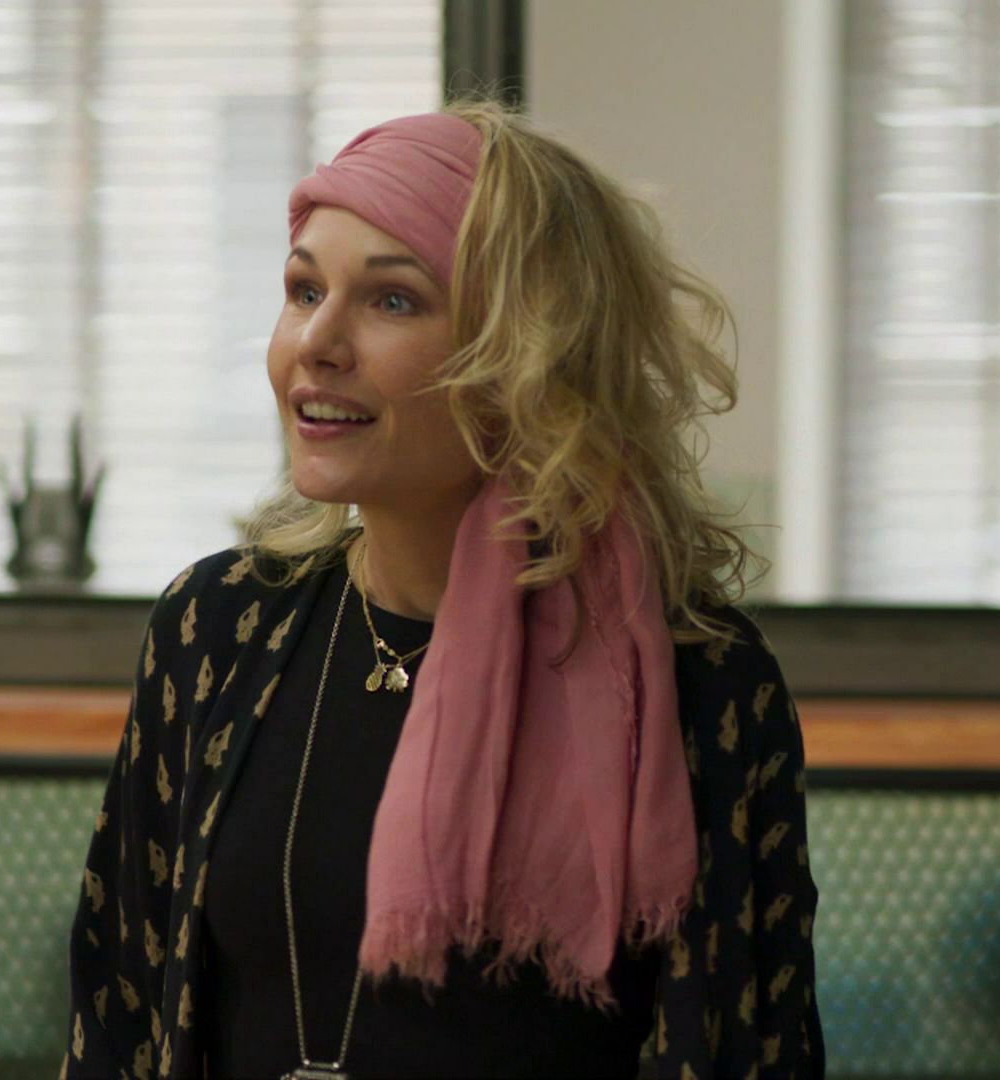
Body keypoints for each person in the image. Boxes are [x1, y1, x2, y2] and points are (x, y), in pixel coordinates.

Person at [62, 96, 825, 1080]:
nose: (316, 342)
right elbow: (119, 1009)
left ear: (526, 359)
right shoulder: (217, 627)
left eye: (393, 300)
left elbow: (748, 1048)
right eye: (303, 289)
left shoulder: (701, 681)